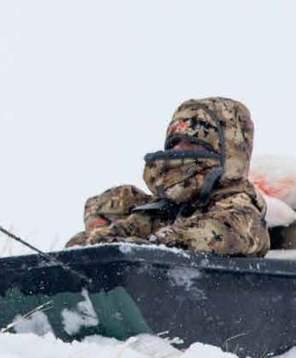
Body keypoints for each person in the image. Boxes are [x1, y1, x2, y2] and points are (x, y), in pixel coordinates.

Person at [64, 96, 271, 256]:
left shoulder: (242, 210)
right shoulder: (163, 211)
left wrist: (149, 247)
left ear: (226, 154)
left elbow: (221, 233)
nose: (178, 151)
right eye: (174, 144)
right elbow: (100, 240)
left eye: (193, 144)